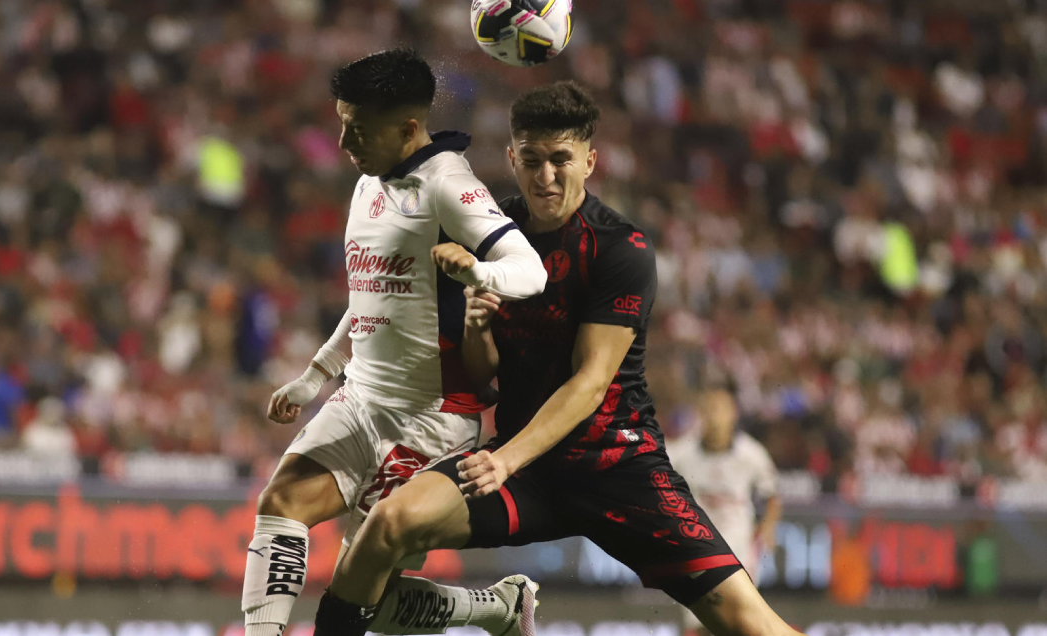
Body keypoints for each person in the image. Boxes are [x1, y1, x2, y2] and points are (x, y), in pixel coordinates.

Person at [313, 81, 804, 636]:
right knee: (387, 525)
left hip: (617, 467)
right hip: (528, 471)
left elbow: (591, 383)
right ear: (511, 158)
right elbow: (485, 378)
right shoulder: (491, 234)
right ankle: (493, 609)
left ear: (589, 161)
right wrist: (477, 331)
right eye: (532, 160)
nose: (545, 176)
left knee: (746, 620)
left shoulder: (621, 248)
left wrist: (505, 460)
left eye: (560, 160)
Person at [241, 48, 547, 636]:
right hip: (360, 401)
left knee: (371, 600)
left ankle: (498, 607)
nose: (342, 142)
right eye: (341, 122)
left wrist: (476, 274)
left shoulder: (448, 183)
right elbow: (370, 296)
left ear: (409, 128)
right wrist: (315, 374)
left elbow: (529, 271)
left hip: (428, 421)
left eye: (357, 128)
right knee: (280, 505)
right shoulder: (368, 185)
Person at [667, 388, 782, 634]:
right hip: (695, 549)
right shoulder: (681, 454)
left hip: (738, 550)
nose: (713, 416)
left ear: (733, 414)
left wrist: (768, 528)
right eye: (708, 409)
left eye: (719, 409)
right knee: (698, 625)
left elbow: (772, 495)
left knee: (740, 620)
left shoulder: (751, 455)